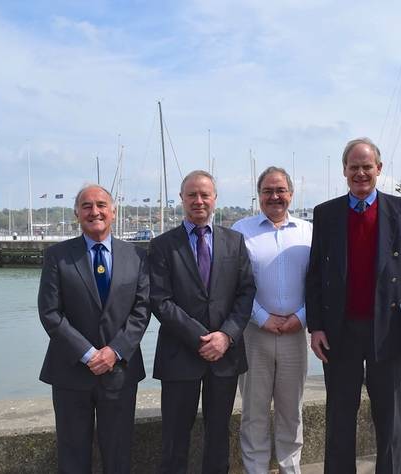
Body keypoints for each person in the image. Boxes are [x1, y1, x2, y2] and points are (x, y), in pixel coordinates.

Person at [306, 138, 401, 474]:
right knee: (339, 414)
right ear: (344, 171)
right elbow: (315, 275)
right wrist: (316, 326)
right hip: (340, 331)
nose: (361, 173)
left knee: (390, 415)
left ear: (379, 169)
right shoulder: (326, 214)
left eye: (367, 166)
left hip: (390, 330)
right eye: (354, 167)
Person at [38, 184, 150, 474]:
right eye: (86, 206)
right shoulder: (57, 256)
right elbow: (50, 313)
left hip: (120, 371)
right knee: (72, 456)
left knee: (119, 455)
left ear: (113, 212)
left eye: (101, 205)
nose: (94, 211)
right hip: (70, 372)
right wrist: (88, 354)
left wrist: (114, 351)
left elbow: (142, 310)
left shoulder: (137, 256)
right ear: (77, 213)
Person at [149, 170, 256, 474]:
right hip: (179, 354)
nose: (198, 201)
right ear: (181, 199)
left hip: (225, 355)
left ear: (214, 199)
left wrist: (226, 336)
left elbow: (246, 292)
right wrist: (200, 338)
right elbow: (160, 300)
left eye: (204, 194)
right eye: (192, 195)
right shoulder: (161, 246)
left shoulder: (234, 242)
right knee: (174, 436)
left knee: (219, 435)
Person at [232, 167, 312, 473]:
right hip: (254, 333)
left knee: (291, 410)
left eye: (280, 190)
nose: (274, 196)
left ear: (291, 194)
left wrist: (301, 318)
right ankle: (256, 469)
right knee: (254, 409)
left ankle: (290, 467)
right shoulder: (242, 230)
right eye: (267, 191)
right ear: (259, 195)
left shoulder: (308, 232)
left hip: (295, 333)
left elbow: (317, 285)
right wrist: (262, 317)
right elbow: (234, 285)